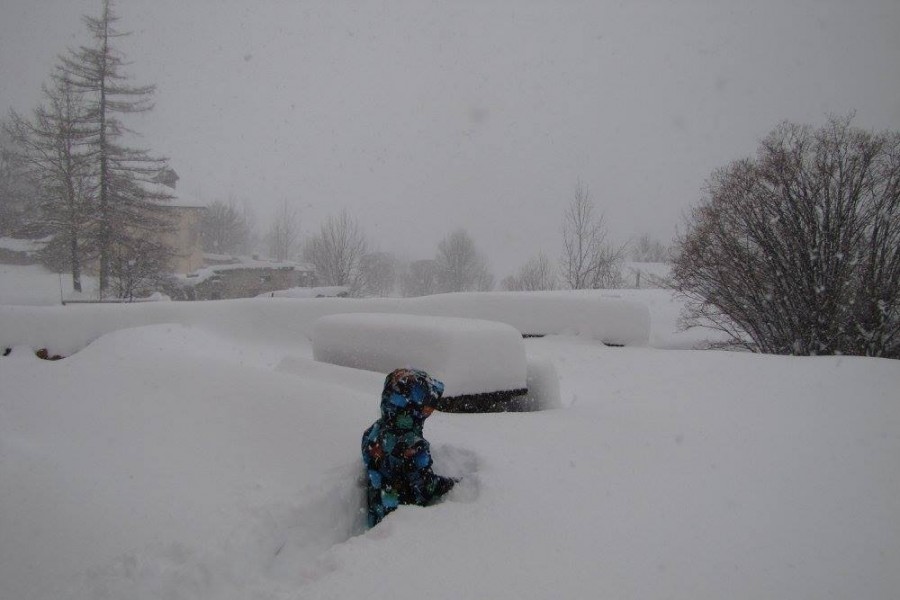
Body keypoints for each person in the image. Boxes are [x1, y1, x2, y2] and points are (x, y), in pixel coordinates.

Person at [361, 368, 456, 527]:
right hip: (405, 524)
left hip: (378, 515)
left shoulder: (373, 432)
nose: (429, 412)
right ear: (410, 410)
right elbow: (425, 489)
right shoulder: (413, 445)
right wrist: (448, 485)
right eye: (427, 408)